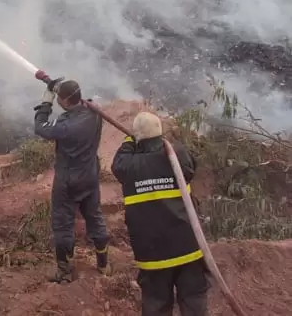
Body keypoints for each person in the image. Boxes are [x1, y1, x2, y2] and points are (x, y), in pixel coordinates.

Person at [111, 112, 208, 316]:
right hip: (187, 246)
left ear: (138, 138)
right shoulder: (178, 156)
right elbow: (191, 165)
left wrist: (129, 140)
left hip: (153, 251)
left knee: (156, 304)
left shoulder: (129, 166)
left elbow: (118, 163)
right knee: (193, 301)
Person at [34, 80, 109, 283]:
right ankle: (103, 264)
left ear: (65, 101)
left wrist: (46, 103)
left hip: (68, 181)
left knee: (63, 224)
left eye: (59, 98)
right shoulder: (94, 112)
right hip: (90, 177)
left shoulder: (66, 125)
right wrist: (56, 84)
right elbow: (79, 100)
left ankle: (64, 271)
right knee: (95, 218)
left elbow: (40, 128)